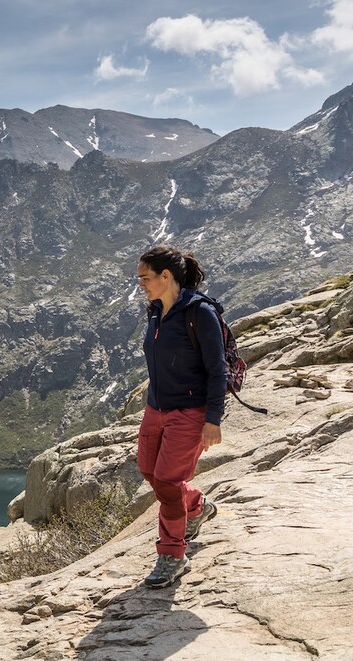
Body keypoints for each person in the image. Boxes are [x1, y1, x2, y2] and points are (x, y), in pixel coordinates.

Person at [136, 245, 225, 589]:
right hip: (155, 409)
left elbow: (217, 369)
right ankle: (196, 506)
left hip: (188, 411)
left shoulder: (199, 312)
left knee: (168, 482)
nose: (141, 284)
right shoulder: (156, 311)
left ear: (166, 275)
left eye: (145, 278)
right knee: (150, 471)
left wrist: (213, 419)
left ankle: (172, 555)